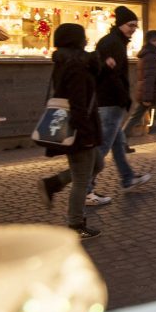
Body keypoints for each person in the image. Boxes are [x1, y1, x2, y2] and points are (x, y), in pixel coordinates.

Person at [37, 24, 104, 239]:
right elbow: (78, 105)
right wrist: (85, 135)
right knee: (82, 178)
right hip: (80, 130)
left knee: (97, 164)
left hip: (84, 127)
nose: (86, 40)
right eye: (83, 37)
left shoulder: (69, 63)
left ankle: (53, 183)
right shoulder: (74, 67)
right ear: (75, 41)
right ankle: (76, 224)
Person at [92, 5, 151, 203]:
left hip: (110, 100)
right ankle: (86, 188)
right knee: (103, 146)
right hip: (110, 102)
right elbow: (113, 75)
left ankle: (127, 178)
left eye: (135, 25)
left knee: (117, 144)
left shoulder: (113, 41)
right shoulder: (113, 43)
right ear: (120, 24)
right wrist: (123, 97)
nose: (133, 28)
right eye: (130, 25)